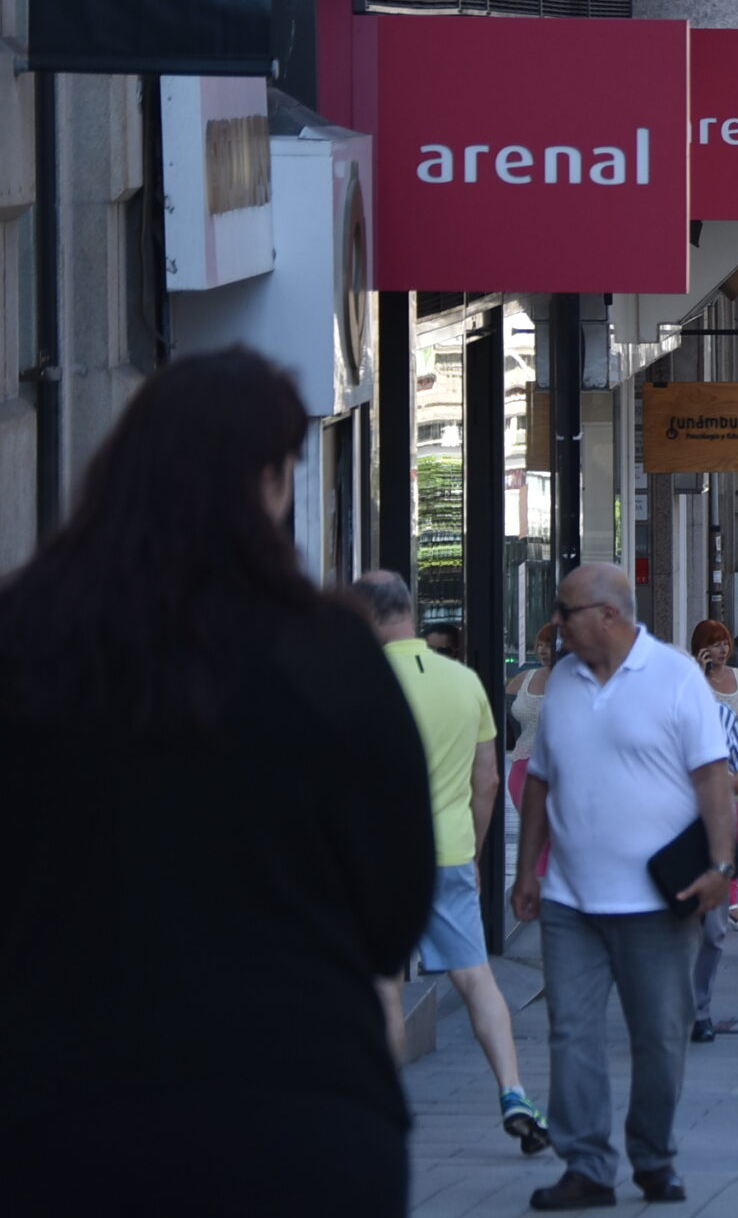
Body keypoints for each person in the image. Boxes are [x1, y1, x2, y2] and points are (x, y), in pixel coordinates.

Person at [0, 351, 433, 1216]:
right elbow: (394, 904)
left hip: (64, 1107)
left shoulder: (24, 638)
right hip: (300, 1106)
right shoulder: (332, 655)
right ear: (271, 481)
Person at [509, 561, 736, 1209]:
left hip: (657, 904)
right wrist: (528, 868)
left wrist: (721, 867)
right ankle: (586, 1164)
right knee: (571, 1031)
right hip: (570, 900)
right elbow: (541, 783)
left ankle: (653, 1156)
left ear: (608, 615)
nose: (555, 622)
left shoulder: (673, 677)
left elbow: (713, 776)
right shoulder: (566, 684)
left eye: (565, 609)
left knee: (660, 1036)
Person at [353, 571, 551, 1154]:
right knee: (475, 977)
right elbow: (486, 781)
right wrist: (474, 848)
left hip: (378, 856)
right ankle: (514, 1090)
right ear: (409, 614)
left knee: (386, 983)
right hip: (450, 853)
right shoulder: (466, 683)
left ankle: (385, 1109)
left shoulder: (359, 681)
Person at [689, 697, 738, 1044]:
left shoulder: (716, 714)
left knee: (713, 929)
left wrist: (731, 784)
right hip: (656, 837)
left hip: (710, 834)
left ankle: (698, 1008)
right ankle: (674, 1008)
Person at [693, 621, 738, 930]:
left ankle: (731, 901)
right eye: (715, 643)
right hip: (703, 775)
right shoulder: (692, 680)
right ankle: (707, 896)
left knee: (731, 839)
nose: (722, 649)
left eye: (725, 643)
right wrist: (697, 671)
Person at [506, 623, 558, 816]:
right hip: (523, 766)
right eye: (539, 645)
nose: (542, 650)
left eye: (549, 644)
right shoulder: (523, 678)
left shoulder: (580, 680)